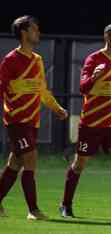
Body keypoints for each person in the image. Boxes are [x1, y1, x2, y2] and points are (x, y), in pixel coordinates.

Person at [59, 24, 111, 221]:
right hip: (92, 123)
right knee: (79, 164)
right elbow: (83, 88)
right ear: (107, 37)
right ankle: (65, 205)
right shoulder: (94, 59)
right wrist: (95, 76)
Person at [0, 15, 68, 220]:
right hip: (16, 121)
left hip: (32, 121)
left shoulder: (37, 60)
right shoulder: (11, 60)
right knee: (30, 159)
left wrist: (56, 108)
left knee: (15, 163)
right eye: (34, 29)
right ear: (24, 32)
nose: (38, 32)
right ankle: (33, 210)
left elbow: (42, 91)